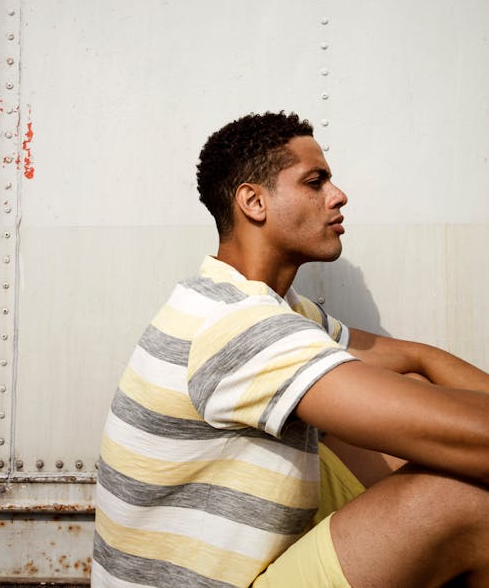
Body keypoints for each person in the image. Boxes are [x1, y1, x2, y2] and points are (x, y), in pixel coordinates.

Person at [92, 111, 489, 588]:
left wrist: (436, 382)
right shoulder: (238, 327)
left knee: (401, 407)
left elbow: (417, 360)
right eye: (315, 181)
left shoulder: (268, 306)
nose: (338, 196)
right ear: (254, 202)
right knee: (460, 502)